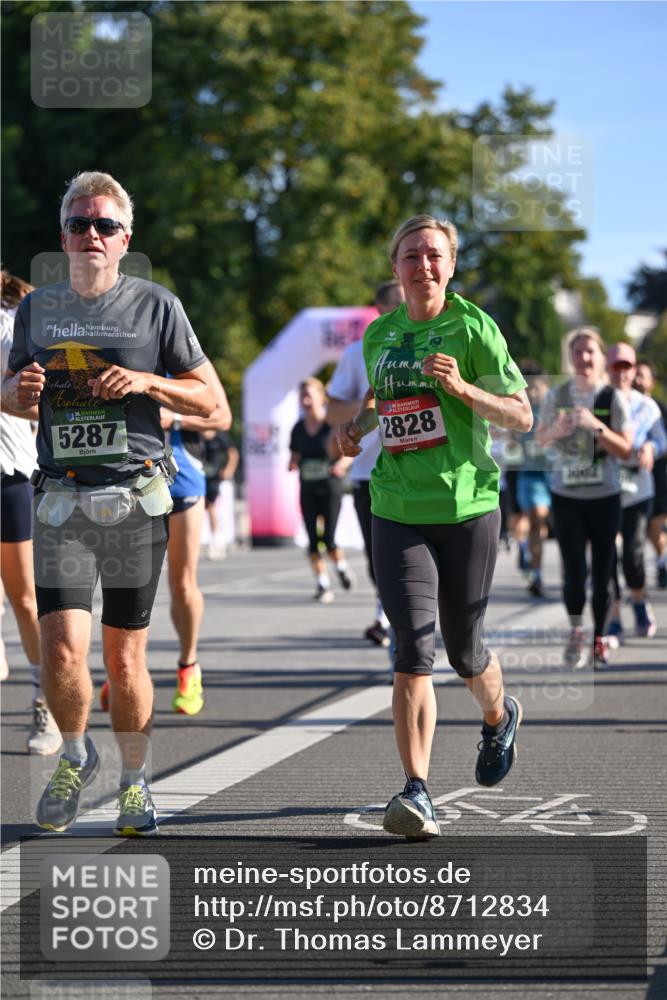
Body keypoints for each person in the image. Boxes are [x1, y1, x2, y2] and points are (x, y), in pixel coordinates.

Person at [2, 171, 216, 835]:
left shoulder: (157, 308)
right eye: (78, 224)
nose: (90, 235)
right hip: (61, 498)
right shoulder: (36, 311)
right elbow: (8, 395)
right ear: (62, 235)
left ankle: (134, 781)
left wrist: (150, 381)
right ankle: (75, 753)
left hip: (133, 500)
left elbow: (213, 405)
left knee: (124, 658)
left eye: (104, 225)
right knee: (64, 651)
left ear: (126, 238)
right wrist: (19, 393)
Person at [338, 214, 533, 839]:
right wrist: (357, 429)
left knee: (463, 648)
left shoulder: (474, 327)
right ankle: (417, 792)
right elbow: (386, 402)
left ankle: (498, 716)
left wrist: (464, 388)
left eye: (434, 256)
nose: (422, 266)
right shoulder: (380, 336)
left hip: (468, 506)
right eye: (410, 256)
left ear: (450, 266)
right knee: (411, 647)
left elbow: (522, 415)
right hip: (396, 508)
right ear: (394, 268)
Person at [536, 329, 632, 670]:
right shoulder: (557, 395)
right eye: (578, 352)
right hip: (567, 496)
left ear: (600, 356)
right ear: (571, 357)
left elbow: (626, 449)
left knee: (604, 571)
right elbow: (540, 442)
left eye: (590, 352)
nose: (584, 358)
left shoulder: (612, 397)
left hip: (604, 496)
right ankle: (577, 630)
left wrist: (596, 426)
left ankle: (598, 638)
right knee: (574, 573)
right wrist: (556, 431)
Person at [1, 270, 62, 754]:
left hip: (9, 473)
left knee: (24, 599)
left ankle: (46, 698)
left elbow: (40, 405)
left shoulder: (10, 327)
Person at [327, 280, 405, 646]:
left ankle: (395, 622)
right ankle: (390, 617)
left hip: (419, 469)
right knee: (380, 561)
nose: (407, 307)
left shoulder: (431, 345)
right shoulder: (357, 353)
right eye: (398, 302)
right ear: (379, 309)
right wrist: (370, 402)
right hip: (368, 473)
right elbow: (332, 409)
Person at [162, 363, 231, 715]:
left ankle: (188, 666)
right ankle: (124, 668)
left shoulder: (185, 356)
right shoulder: (117, 347)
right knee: (127, 586)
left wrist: (173, 419)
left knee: (183, 583)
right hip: (127, 480)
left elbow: (222, 417)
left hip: (182, 480)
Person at [604, 343, 666, 641]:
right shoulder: (597, 401)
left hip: (639, 489)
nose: (621, 372)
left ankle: (639, 601)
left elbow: (661, 439)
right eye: (615, 366)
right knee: (608, 555)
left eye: (626, 366)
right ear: (607, 369)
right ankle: (615, 617)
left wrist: (652, 447)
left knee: (633, 554)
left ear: (633, 369)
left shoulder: (647, 405)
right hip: (604, 490)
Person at [289, 377, 354, 603]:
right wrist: (293, 462)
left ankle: (341, 566)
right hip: (307, 488)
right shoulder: (298, 428)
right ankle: (322, 584)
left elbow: (348, 451)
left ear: (320, 397)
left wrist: (340, 465)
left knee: (329, 538)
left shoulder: (331, 425)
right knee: (312, 539)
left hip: (330, 488)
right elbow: (295, 453)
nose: (305, 400)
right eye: (302, 396)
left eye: (309, 395)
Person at [513, 362, 552, 598]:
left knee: (541, 526)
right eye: (529, 388)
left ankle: (536, 569)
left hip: (555, 475)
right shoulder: (521, 409)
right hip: (529, 473)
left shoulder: (555, 407)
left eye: (537, 388)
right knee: (537, 517)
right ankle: (533, 568)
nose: (534, 393)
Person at [633, 360, 667, 588]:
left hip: (658, 476)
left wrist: (650, 449)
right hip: (631, 478)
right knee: (638, 530)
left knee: (655, 529)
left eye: (642, 375)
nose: (637, 379)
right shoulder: (622, 404)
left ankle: (663, 562)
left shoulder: (659, 409)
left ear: (652, 382)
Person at [204, 428, 240, 560]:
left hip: (214, 476)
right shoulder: (195, 433)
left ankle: (216, 541)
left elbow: (233, 453)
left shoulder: (220, 436)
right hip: (199, 474)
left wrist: (228, 470)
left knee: (210, 506)